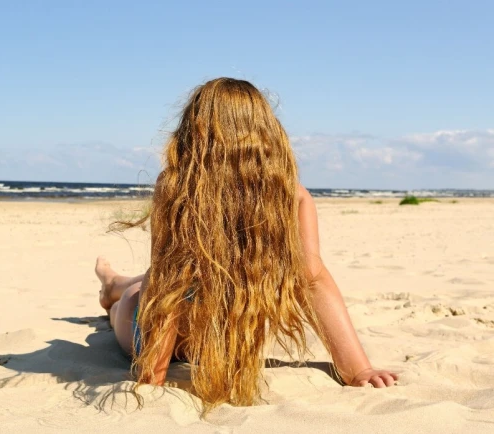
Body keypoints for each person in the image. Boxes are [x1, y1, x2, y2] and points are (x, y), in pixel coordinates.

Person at [95, 77, 398, 413]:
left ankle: (114, 281)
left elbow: (312, 278)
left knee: (161, 282)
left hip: (200, 324)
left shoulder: (292, 197)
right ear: (267, 133)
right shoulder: (178, 188)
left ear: (194, 132)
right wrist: (154, 376)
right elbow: (166, 284)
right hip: (154, 325)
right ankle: (112, 288)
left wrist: (359, 369)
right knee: (128, 304)